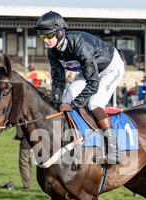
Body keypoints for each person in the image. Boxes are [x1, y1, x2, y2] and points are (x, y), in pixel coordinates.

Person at [34, 11, 125, 164]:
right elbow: (58, 81)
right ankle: (69, 143)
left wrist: (73, 104)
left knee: (94, 104)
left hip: (110, 67)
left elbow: (93, 83)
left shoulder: (80, 45)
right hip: (89, 71)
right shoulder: (53, 52)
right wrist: (56, 100)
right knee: (64, 98)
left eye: (49, 36)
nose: (46, 41)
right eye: (42, 37)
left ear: (60, 32)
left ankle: (114, 150)